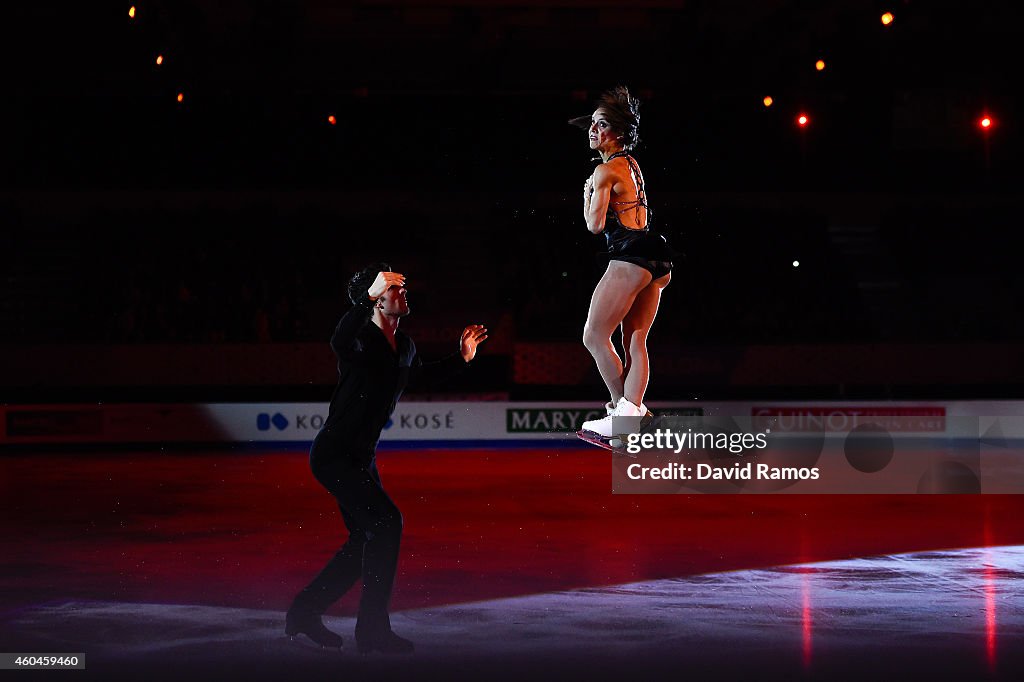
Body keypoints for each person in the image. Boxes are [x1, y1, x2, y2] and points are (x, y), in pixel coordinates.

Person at [285, 263, 487, 653]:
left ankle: (305, 611)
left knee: (365, 536)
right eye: (394, 289)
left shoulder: (405, 346)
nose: (404, 292)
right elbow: (338, 341)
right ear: (376, 298)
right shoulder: (359, 337)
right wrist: (364, 298)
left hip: (361, 458)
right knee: (387, 522)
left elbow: (419, 377)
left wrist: (461, 358)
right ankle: (371, 630)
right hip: (334, 455)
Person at [569, 86, 674, 437]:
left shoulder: (604, 171)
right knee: (635, 339)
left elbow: (595, 226)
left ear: (618, 133)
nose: (593, 131)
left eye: (601, 125)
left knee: (594, 335)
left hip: (630, 256)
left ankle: (621, 415)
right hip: (658, 257)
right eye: (592, 125)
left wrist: (587, 195)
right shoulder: (632, 165)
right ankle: (635, 413)